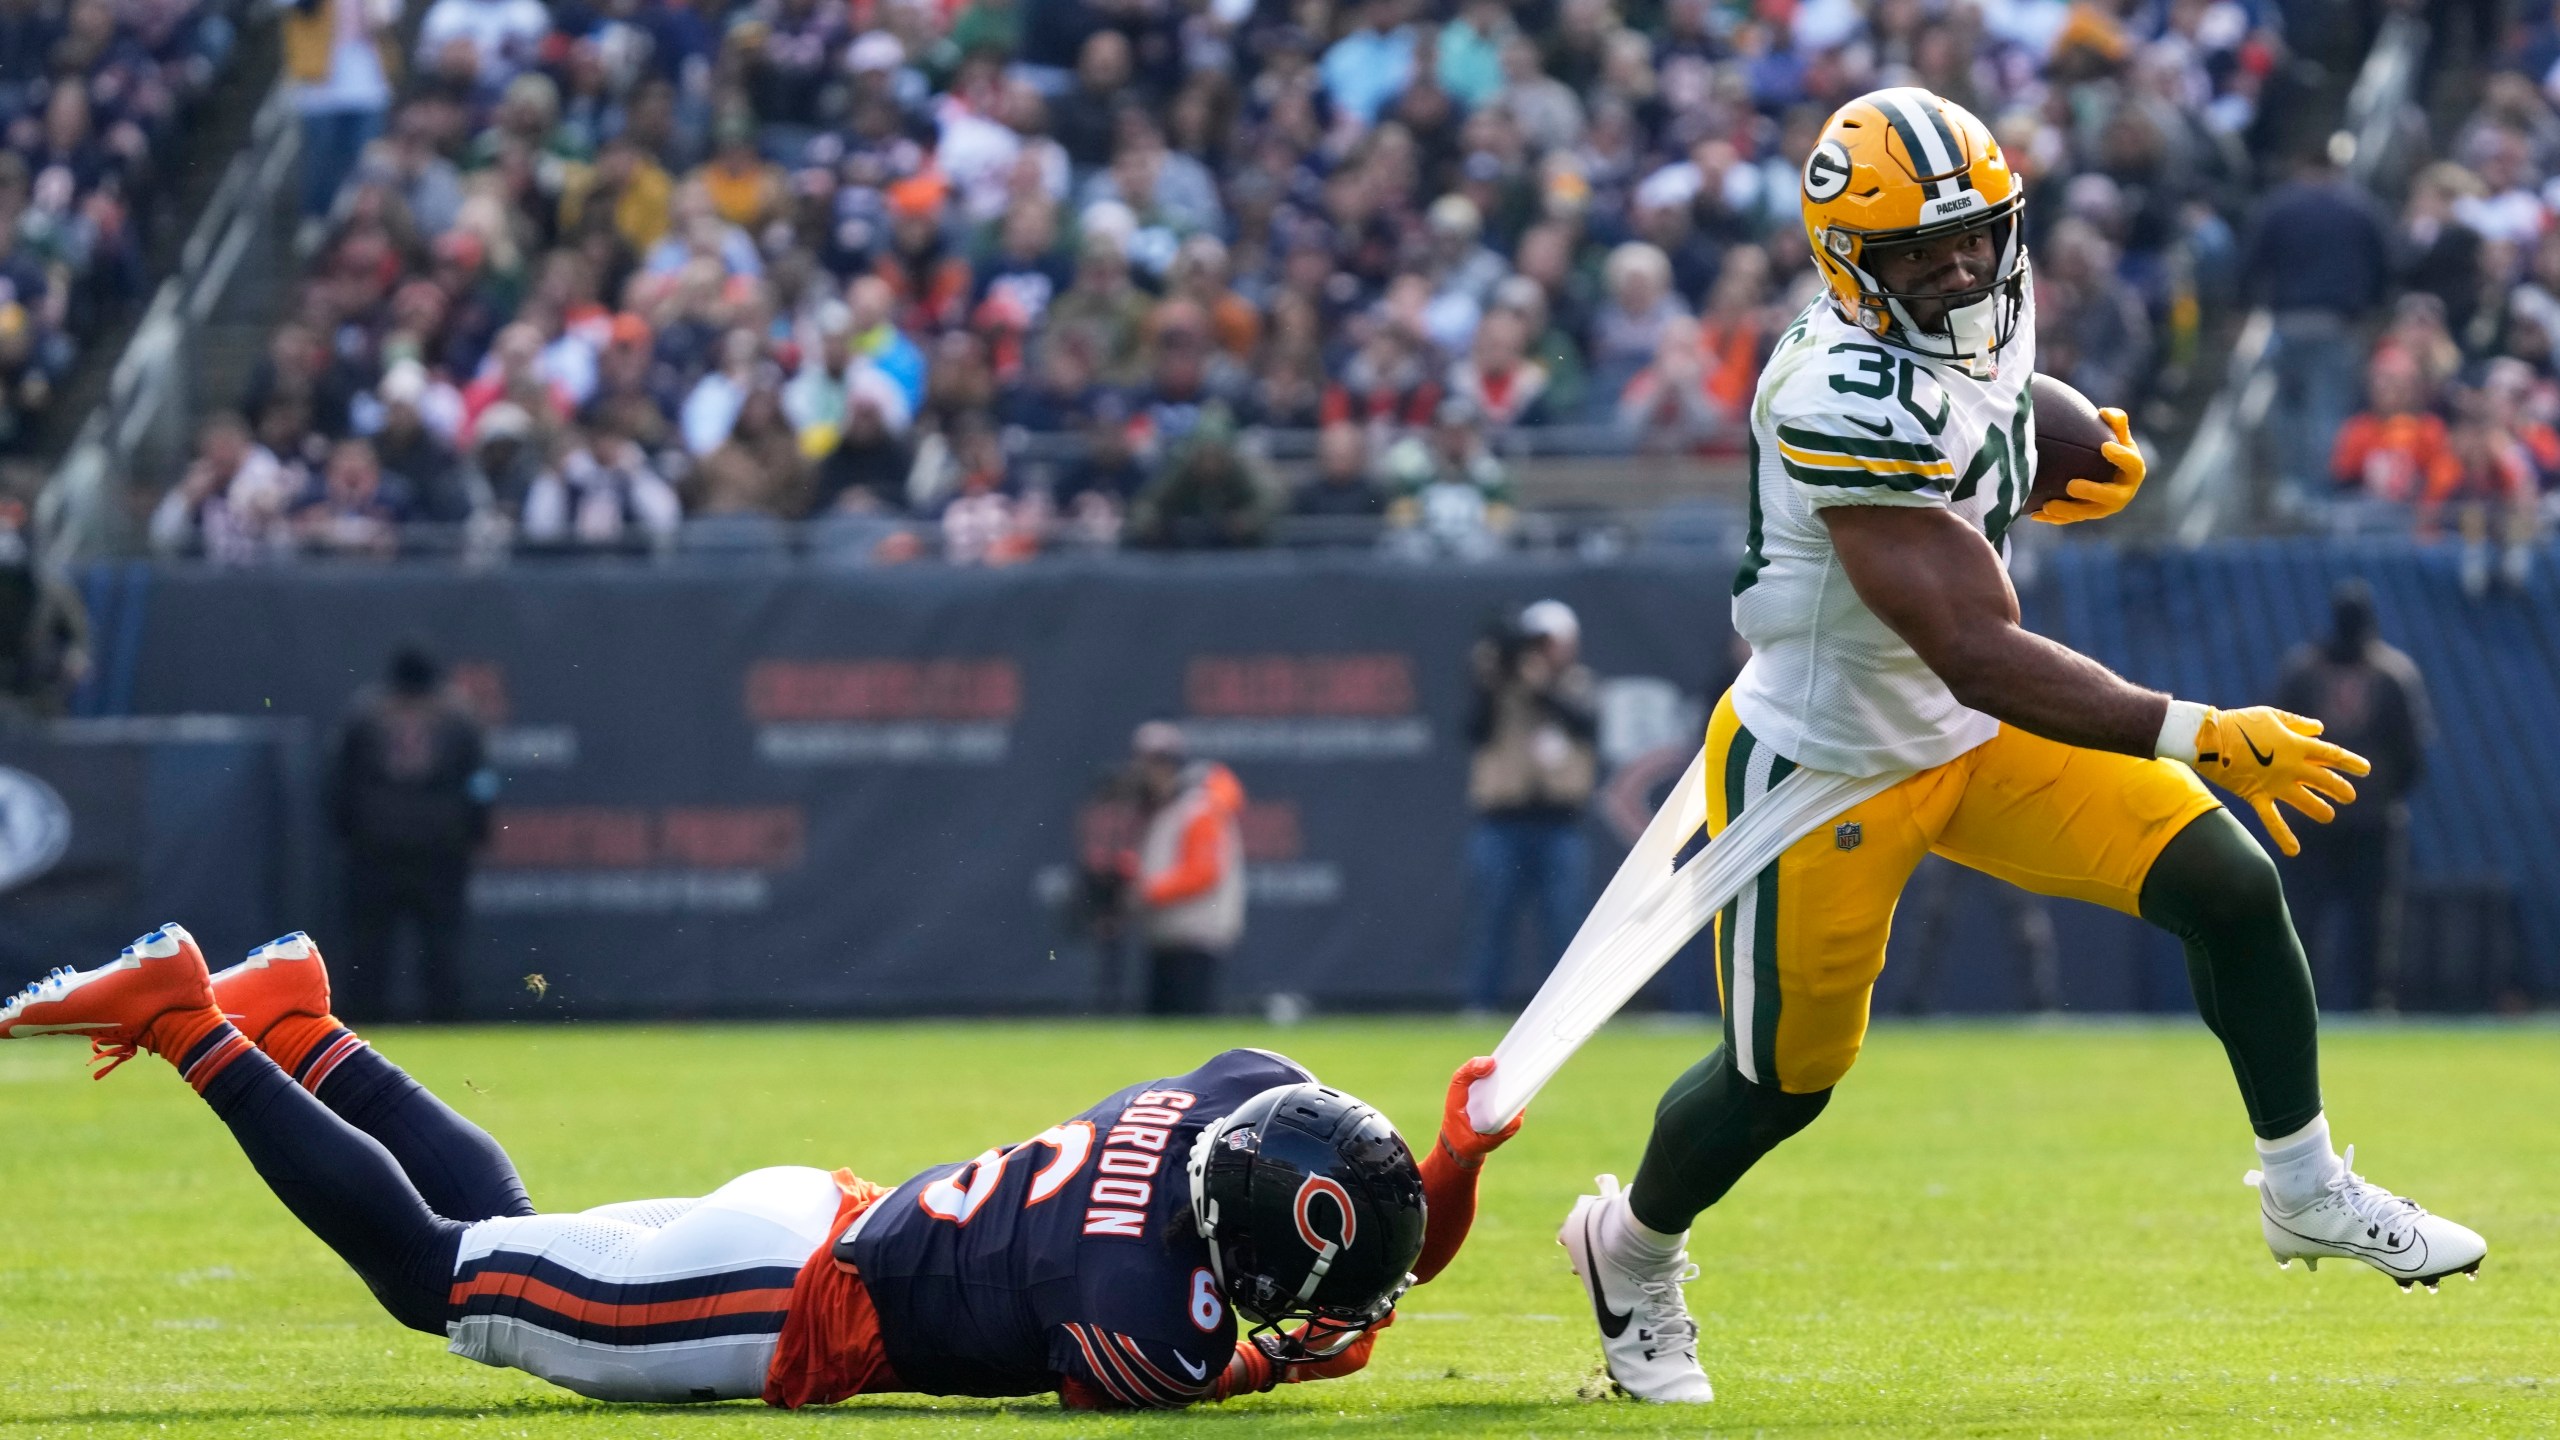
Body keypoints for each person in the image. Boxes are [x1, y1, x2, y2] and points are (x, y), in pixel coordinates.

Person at [1557, 88, 2485, 1407]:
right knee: (1782, 1085)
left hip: (1971, 735)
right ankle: (1631, 1252)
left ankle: (2305, 1188)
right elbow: (1973, 646)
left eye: (1974, 240)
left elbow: (1991, 390)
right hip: (1835, 764)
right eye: (1918, 257)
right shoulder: (1835, 390)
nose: (1956, 270)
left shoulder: (1977, 289)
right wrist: (2197, 732)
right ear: (1845, 267)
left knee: (2228, 884)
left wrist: (2067, 432)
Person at [0, 924, 1521, 1409]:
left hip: (818, 1215)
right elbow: (1259, 1341)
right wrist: (1301, 1365)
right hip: (789, 1301)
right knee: (436, 1280)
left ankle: (304, 1029)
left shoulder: (1234, 1094)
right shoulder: (1147, 1312)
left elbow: (1363, 1220)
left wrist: (1444, 1160)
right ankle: (195, 1022)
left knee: (514, 1238)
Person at [2272, 582, 2433, 1012]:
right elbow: (2412, 754)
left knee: (2328, 920)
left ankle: (2304, 1002)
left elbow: (2276, 746)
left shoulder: (2304, 671)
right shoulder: (2391, 674)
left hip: (2322, 817)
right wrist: (2381, 794)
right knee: (2365, 922)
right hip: (2363, 819)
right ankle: (2367, 1002)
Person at [327, 643, 494, 1021]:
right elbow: (481, 781)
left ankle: (365, 1024)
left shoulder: (366, 713)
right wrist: (478, 830)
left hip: (375, 844)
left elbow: (340, 781)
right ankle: (445, 1021)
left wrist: (345, 831)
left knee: (368, 947)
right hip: (441, 846)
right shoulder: (458, 715)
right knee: (442, 944)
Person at [1463, 600, 1598, 1014]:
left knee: (1564, 921)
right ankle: (1481, 1005)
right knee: (1492, 919)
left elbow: (1585, 725)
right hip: (1503, 820)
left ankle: (1566, 1009)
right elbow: (1473, 729)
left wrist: (1542, 686)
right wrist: (1500, 672)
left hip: (1560, 822)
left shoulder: (1577, 683)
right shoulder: (1499, 685)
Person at [1126, 721, 1245, 1016]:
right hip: (1167, 938)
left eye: (1154, 763)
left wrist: (1147, 890)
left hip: (1195, 941)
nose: (1145, 772)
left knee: (1189, 1036)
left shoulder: (1198, 807)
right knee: (1161, 1040)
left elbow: (1203, 873)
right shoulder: (1167, 808)